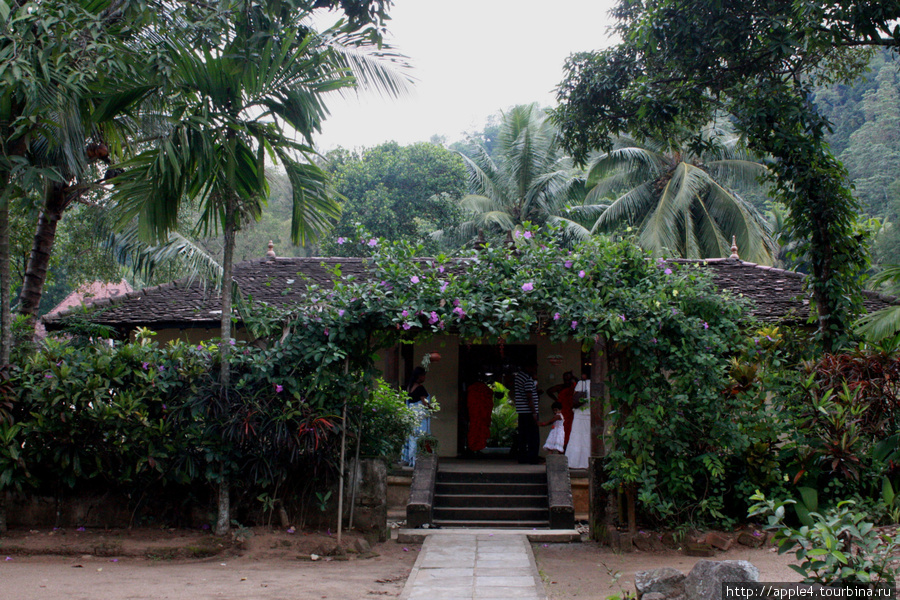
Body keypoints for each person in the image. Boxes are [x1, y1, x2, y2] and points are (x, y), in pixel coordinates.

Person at [401, 367, 431, 467]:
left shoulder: (409, 387)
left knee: (410, 437)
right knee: (419, 437)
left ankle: (408, 458)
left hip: (411, 414)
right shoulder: (420, 388)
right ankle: (416, 460)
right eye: (423, 375)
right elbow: (424, 402)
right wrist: (432, 407)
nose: (425, 377)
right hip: (419, 416)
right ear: (419, 376)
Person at [513, 363, 541, 464]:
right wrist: (534, 412)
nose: (535, 369)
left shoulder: (519, 377)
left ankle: (522, 457)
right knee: (533, 436)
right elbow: (529, 397)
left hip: (522, 411)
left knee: (523, 435)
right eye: (534, 367)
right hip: (529, 411)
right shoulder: (528, 379)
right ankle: (533, 459)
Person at [564, 368, 591, 469]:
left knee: (577, 437)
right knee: (588, 437)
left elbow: (575, 398)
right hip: (590, 413)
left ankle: (574, 462)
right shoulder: (596, 383)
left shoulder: (581, 383)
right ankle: (588, 462)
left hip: (580, 413)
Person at [547, 371, 575, 449]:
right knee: (561, 431)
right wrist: (556, 400)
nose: (567, 381)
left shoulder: (574, 386)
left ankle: (568, 448)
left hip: (571, 411)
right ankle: (561, 448)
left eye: (568, 379)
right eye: (565, 379)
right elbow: (549, 391)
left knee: (570, 430)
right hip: (562, 411)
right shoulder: (560, 387)